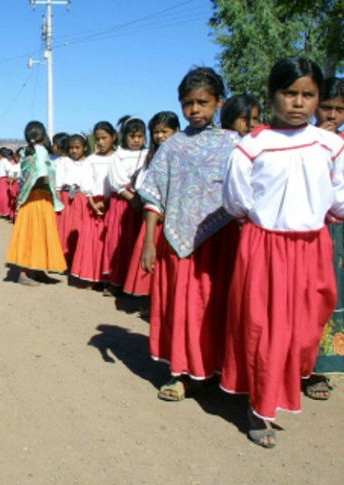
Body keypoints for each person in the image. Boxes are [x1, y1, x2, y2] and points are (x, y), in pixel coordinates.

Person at [220, 57, 344, 448]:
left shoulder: (332, 146)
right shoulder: (251, 147)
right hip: (264, 246)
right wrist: (266, 224)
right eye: (289, 93)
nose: (298, 102)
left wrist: (317, 217)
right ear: (272, 94)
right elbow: (236, 200)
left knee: (306, 327)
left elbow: (341, 198)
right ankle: (260, 407)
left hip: (312, 246)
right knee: (264, 329)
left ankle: (287, 381)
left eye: (308, 94)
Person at [138, 67, 242, 402]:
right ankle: (181, 371)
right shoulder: (172, 147)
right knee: (181, 307)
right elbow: (154, 196)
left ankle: (214, 368)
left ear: (219, 102)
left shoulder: (234, 145)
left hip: (221, 240)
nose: (195, 109)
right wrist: (149, 243)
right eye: (188, 103)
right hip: (177, 241)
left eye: (203, 102)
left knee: (214, 305)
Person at [308, 77, 344, 396]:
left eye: (340, 109)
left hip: (341, 231)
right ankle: (302, 367)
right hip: (307, 229)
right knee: (306, 296)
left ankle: (322, 368)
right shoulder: (301, 142)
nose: (332, 116)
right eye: (326, 107)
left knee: (334, 292)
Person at [123, 112, 180, 307]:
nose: (160, 136)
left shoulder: (181, 154)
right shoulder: (152, 157)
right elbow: (145, 185)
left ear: (176, 131)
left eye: (165, 131)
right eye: (156, 132)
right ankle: (153, 301)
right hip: (155, 216)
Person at [5, 121, 66, 285]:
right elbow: (43, 175)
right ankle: (25, 272)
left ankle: (37, 270)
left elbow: (28, 175)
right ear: (44, 134)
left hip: (32, 198)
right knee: (37, 233)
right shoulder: (41, 151)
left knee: (32, 233)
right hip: (40, 197)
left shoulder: (26, 151)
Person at [103, 116, 148, 295]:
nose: (136, 140)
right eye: (132, 136)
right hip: (123, 203)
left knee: (140, 242)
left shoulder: (149, 154)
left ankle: (137, 285)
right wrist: (131, 199)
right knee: (120, 241)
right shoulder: (118, 156)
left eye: (140, 136)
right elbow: (117, 182)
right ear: (125, 136)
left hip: (143, 201)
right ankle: (117, 281)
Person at [70, 121, 117, 288]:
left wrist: (107, 201)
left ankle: (108, 277)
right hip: (94, 204)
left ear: (113, 137)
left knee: (109, 241)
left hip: (112, 204)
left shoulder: (118, 158)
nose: (101, 142)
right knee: (93, 241)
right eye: (98, 139)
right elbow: (87, 182)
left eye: (104, 138)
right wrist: (92, 202)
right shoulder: (91, 160)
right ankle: (92, 275)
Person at [57, 134, 90, 267]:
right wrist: (58, 199)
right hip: (65, 198)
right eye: (71, 148)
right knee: (64, 228)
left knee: (78, 227)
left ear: (84, 148)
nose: (74, 150)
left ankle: (76, 259)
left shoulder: (89, 162)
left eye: (77, 147)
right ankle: (63, 259)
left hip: (82, 199)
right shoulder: (63, 162)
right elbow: (58, 183)